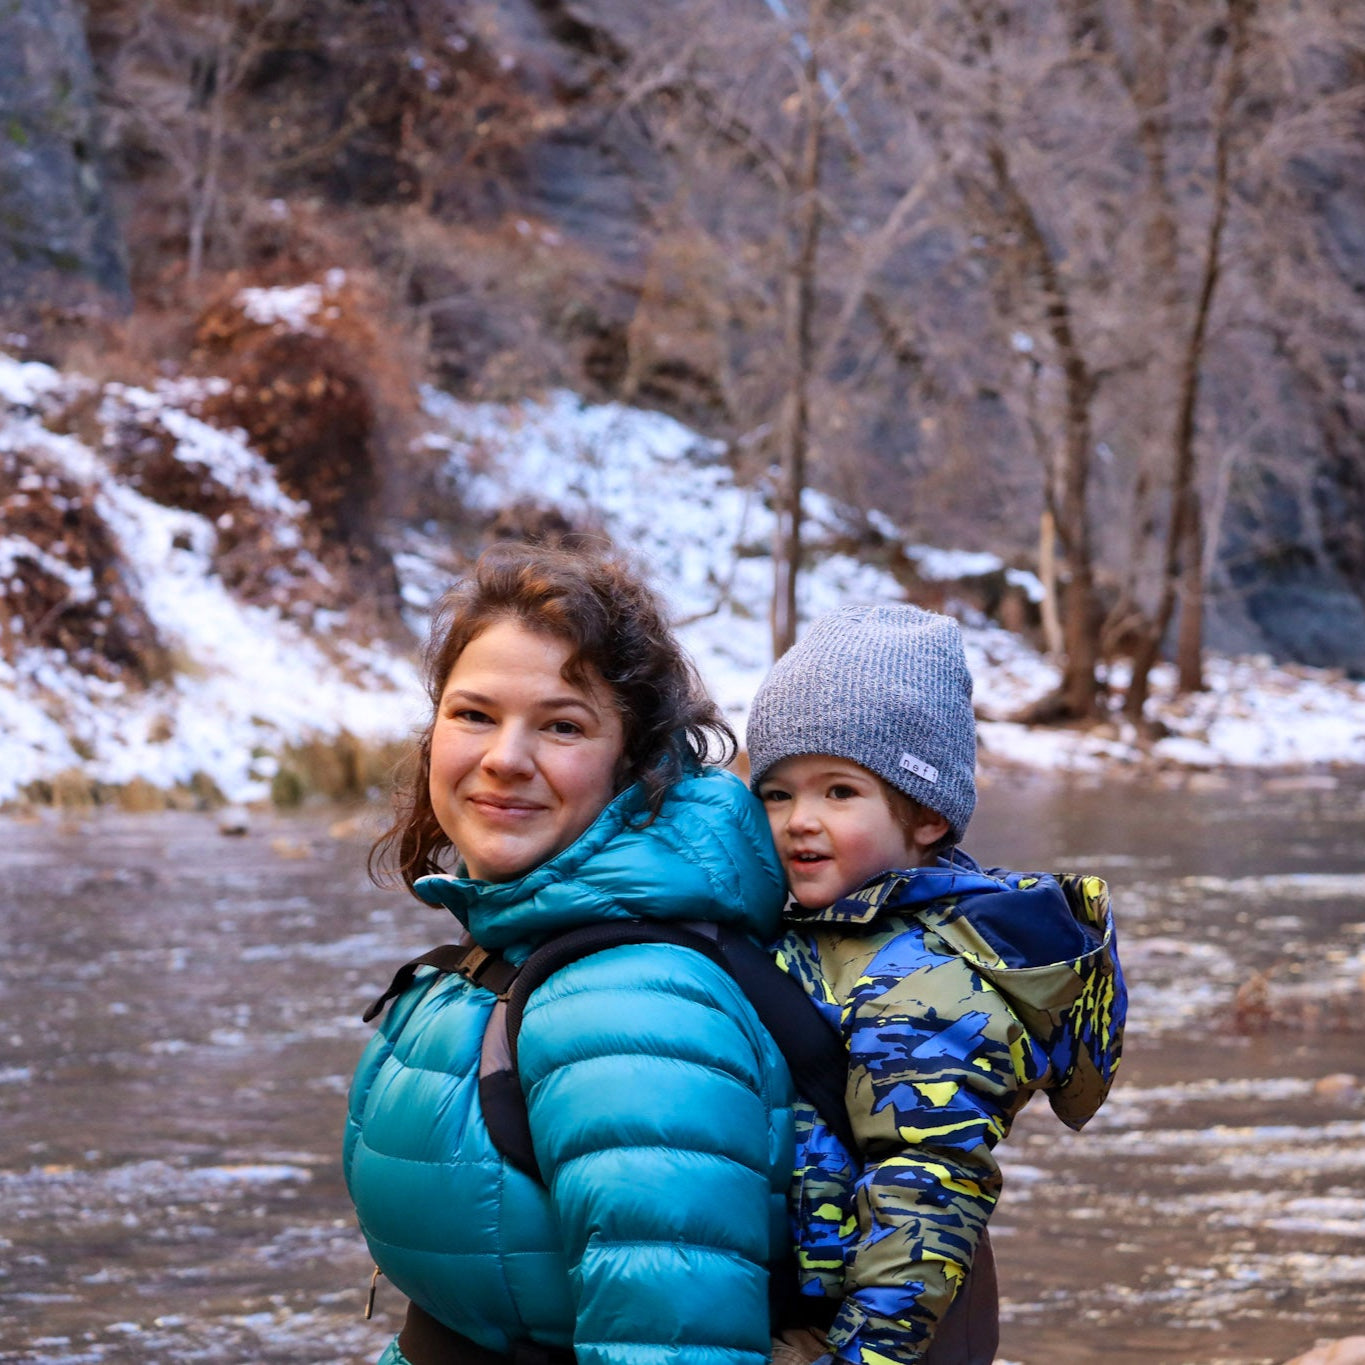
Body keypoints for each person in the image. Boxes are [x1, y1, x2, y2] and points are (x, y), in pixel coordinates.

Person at [344, 541, 796, 1365]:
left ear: (634, 762)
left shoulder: (630, 1008)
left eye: (561, 725)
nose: (505, 758)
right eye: (473, 713)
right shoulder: (518, 942)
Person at [746, 603, 1127, 1365]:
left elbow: (929, 1190)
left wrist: (863, 1354)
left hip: (874, 1330)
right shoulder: (829, 930)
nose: (798, 820)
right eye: (777, 792)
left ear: (924, 815)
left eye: (838, 791)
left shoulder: (926, 978)